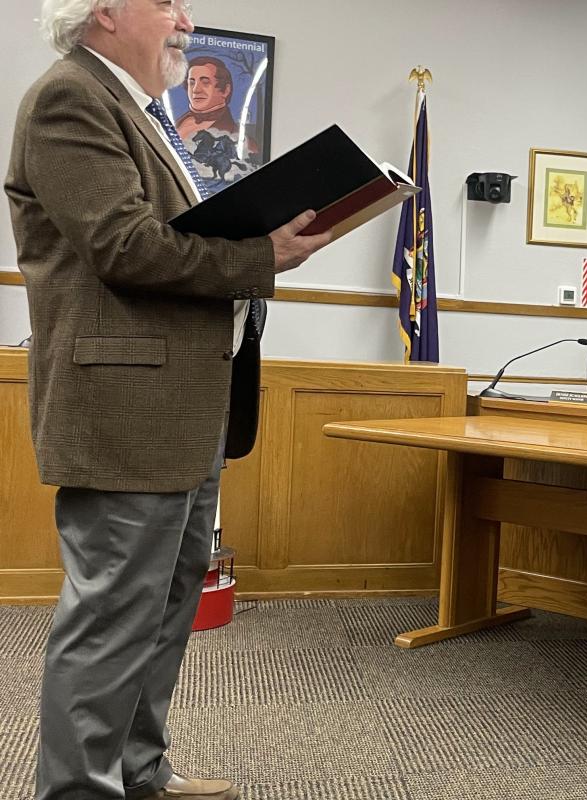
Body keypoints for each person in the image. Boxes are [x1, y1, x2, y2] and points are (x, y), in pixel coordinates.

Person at [4, 1, 331, 798]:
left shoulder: (140, 109)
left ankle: (138, 774)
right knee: (114, 619)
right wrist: (261, 255)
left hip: (182, 409)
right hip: (125, 412)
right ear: (104, 11)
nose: (185, 17)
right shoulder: (70, 96)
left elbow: (163, 236)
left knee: (163, 610)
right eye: (166, 1)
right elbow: (123, 246)